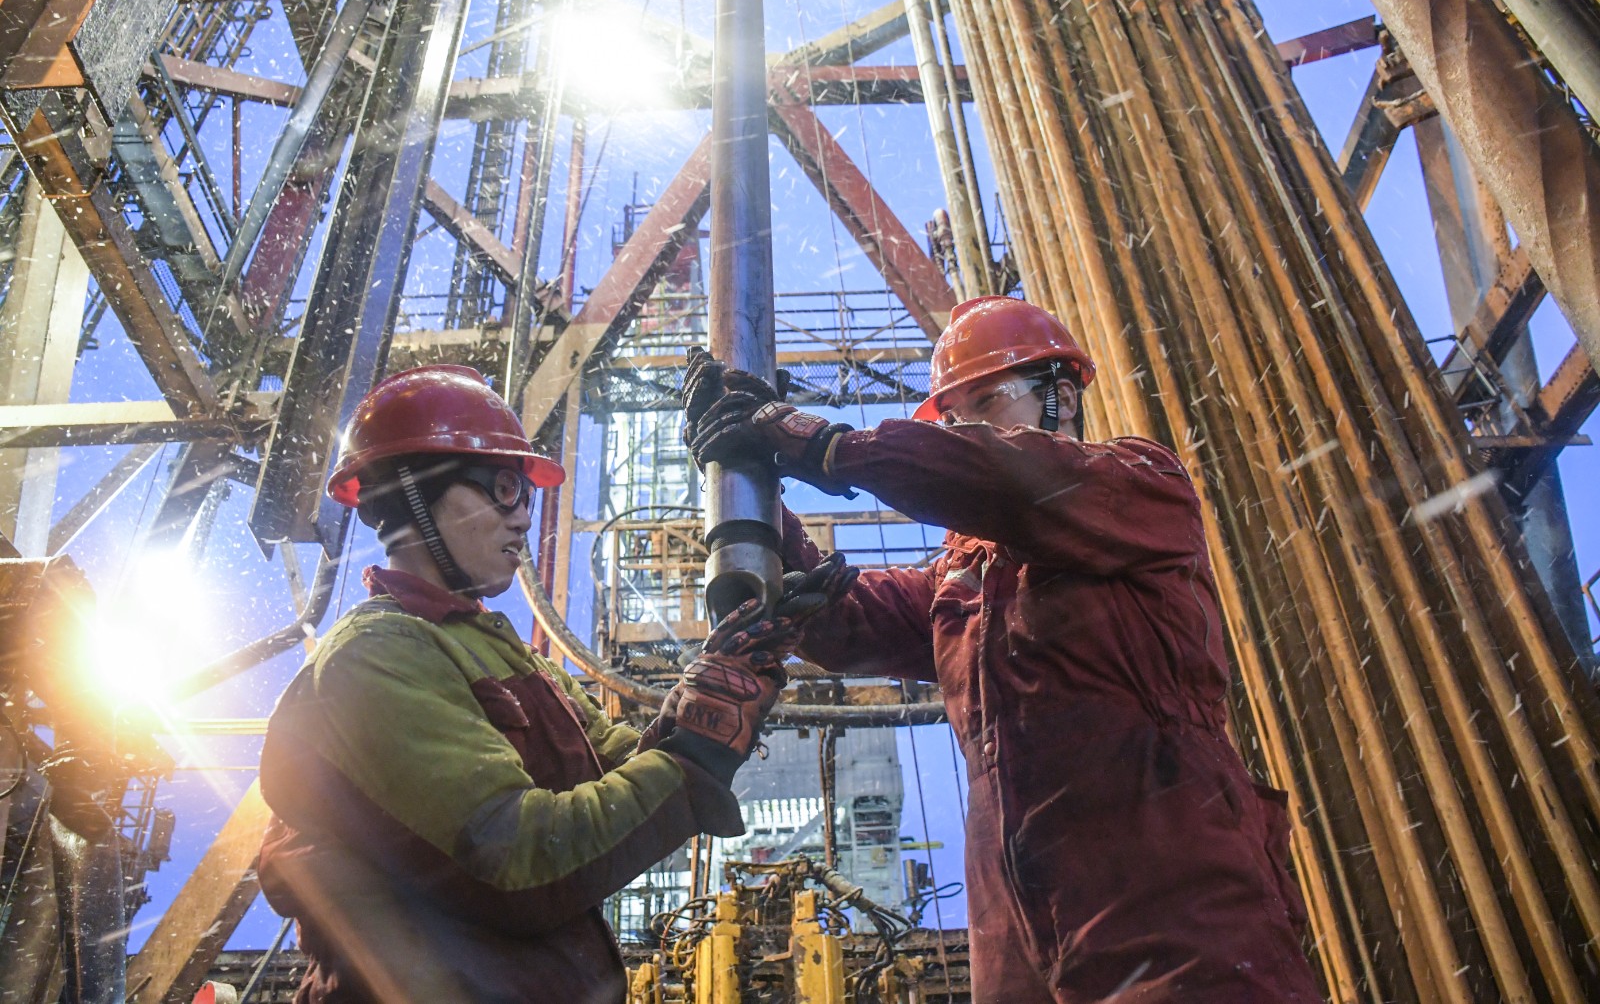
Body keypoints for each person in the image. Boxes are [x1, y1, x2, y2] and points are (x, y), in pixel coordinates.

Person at [681, 297, 1322, 1003]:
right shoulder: (965, 579)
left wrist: (821, 443)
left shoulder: (1139, 484)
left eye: (987, 401)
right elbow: (845, 618)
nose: (965, 429)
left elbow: (1005, 478)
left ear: (1062, 398)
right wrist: (745, 491)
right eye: (953, 418)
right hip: (1017, 924)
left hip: (1170, 895)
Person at [257, 364, 847, 1003]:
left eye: (527, 499)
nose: (522, 520)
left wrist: (713, 684)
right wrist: (700, 747)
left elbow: (621, 776)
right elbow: (516, 859)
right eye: (504, 490)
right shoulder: (376, 654)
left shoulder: (507, 657)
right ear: (413, 492)